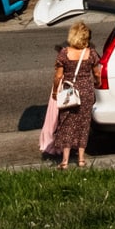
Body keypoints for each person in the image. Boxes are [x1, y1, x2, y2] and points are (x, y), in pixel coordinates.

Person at [41, 20, 96, 169]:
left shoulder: (64, 53)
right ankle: (81, 159)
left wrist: (54, 91)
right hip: (86, 92)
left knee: (66, 123)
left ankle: (64, 161)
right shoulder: (91, 53)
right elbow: (96, 73)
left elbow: (58, 76)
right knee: (84, 124)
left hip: (69, 93)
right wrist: (97, 83)